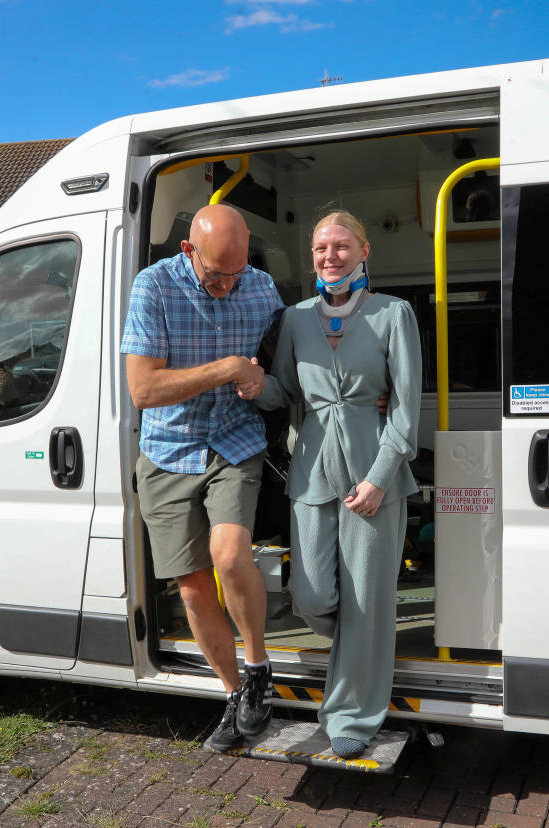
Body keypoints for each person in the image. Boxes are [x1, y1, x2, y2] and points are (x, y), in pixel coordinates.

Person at [247, 210, 422, 759]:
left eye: (342, 246)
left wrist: (378, 479)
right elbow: (285, 395)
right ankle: (359, 651)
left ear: (364, 251)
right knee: (313, 594)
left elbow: (408, 412)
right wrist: (250, 383)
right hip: (312, 472)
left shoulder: (395, 314)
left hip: (375, 477)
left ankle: (353, 715)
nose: (330, 256)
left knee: (369, 603)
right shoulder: (296, 318)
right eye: (322, 247)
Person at [121, 203, 285, 752]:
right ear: (189, 251)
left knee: (233, 555)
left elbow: (295, 358)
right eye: (217, 274)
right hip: (168, 450)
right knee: (192, 591)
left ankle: (258, 668)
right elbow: (143, 391)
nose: (227, 285)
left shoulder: (260, 290)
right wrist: (229, 367)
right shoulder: (154, 287)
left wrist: (366, 383)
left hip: (234, 442)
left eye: (237, 273)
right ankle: (237, 693)